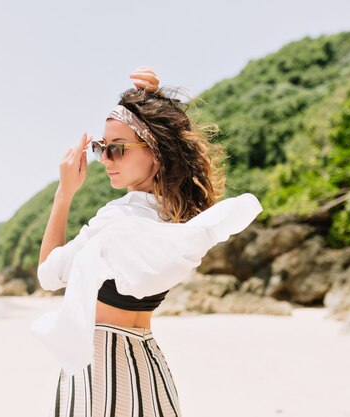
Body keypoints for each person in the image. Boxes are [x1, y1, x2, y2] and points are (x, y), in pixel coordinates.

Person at [33, 66, 263, 416]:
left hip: (100, 372)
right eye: (101, 148)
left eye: (118, 149)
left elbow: (48, 275)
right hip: (149, 367)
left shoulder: (119, 221)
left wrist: (63, 194)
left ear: (155, 149)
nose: (106, 159)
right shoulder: (178, 216)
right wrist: (155, 103)